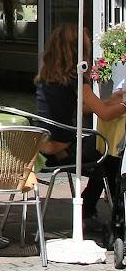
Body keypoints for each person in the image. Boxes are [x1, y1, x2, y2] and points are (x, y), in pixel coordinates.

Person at [35, 24, 126, 235]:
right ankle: (107, 216)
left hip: (44, 147)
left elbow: (84, 108)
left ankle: (89, 211)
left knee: (101, 152)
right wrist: (123, 105)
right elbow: (104, 114)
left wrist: (110, 101)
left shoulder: (47, 77)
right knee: (110, 155)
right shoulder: (75, 78)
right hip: (63, 151)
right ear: (76, 49)